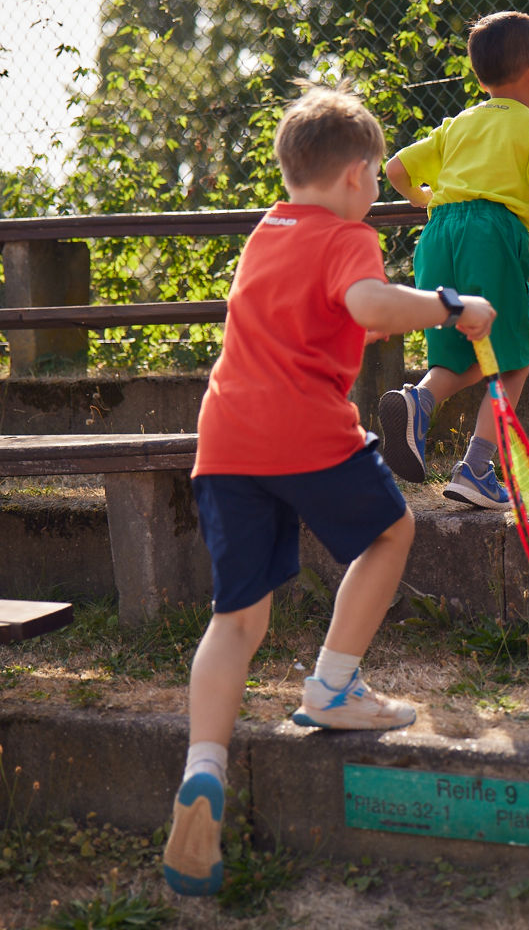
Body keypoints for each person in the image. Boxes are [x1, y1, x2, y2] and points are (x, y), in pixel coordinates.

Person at [162, 87, 496, 897]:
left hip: (227, 438)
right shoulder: (347, 235)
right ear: (354, 176)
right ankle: (335, 684)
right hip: (303, 429)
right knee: (391, 534)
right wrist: (452, 307)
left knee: (235, 618)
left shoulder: (267, 232)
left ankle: (204, 765)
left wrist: (381, 316)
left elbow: (345, 317)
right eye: (377, 174)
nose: (378, 187)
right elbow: (366, 302)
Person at [380, 10, 529, 509]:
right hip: (491, 234)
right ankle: (478, 468)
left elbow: (396, 166)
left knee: (461, 354)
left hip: (439, 235)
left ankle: (419, 400)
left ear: (481, 75)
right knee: (513, 359)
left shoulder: (459, 123)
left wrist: (422, 198)